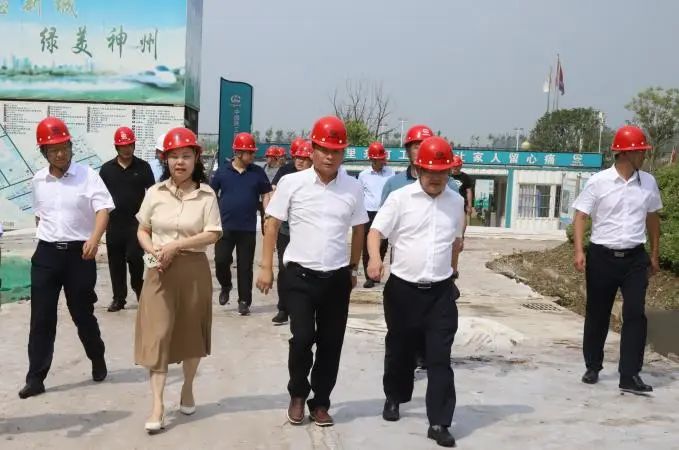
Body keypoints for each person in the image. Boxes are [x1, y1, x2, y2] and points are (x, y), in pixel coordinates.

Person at [256, 116, 368, 427]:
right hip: (299, 276)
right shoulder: (293, 183)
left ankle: (320, 402)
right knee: (303, 337)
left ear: (343, 153)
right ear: (313, 149)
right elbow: (272, 224)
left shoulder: (353, 187)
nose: (330, 156)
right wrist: (266, 267)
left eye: (336, 151)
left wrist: (353, 267)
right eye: (324, 150)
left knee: (331, 343)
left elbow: (359, 228)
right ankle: (297, 393)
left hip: (336, 278)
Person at [368, 136, 464, 447]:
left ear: (449, 171)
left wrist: (453, 269)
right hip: (403, 291)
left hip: (440, 293)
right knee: (400, 349)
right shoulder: (400, 198)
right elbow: (376, 232)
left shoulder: (456, 201)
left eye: (442, 172)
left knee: (439, 357)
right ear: (419, 168)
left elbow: (456, 240)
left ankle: (439, 422)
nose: (436, 178)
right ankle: (394, 397)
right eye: (430, 171)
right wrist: (373, 260)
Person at [134, 127, 222, 433]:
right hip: (158, 269)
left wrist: (176, 246)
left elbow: (213, 233)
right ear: (165, 160)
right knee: (157, 334)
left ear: (196, 158)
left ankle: (187, 388)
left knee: (190, 334)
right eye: (173, 157)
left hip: (193, 269)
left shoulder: (206, 195)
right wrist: (152, 250)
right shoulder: (154, 193)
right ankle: (157, 405)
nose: (179, 162)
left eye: (185, 156)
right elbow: (142, 229)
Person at [19, 117, 114, 399]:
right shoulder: (38, 180)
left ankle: (97, 357)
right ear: (44, 153)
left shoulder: (88, 175)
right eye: (53, 150)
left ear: (71, 146)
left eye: (64, 147)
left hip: (79, 255)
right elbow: (40, 214)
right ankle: (35, 378)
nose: (60, 154)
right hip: (47, 254)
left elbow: (103, 209)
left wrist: (94, 239)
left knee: (82, 313)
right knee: (41, 318)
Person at [572, 125, 662, 394]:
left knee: (635, 314)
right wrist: (579, 251)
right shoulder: (598, 181)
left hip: (635, 258)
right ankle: (593, 365)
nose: (644, 155)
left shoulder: (648, 182)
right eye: (640, 151)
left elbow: (653, 219)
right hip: (602, 257)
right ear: (625, 153)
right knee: (597, 314)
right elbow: (580, 216)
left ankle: (630, 374)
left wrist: (654, 255)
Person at [211, 132, 272, 315]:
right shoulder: (222, 172)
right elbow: (211, 194)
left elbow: (266, 194)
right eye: (249, 152)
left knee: (245, 266)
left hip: (247, 228)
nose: (253, 155)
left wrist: (267, 214)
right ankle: (226, 285)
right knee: (221, 260)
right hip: (225, 227)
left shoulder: (257, 173)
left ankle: (244, 300)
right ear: (238, 152)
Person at [99, 127, 155, 312]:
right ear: (116, 147)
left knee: (135, 258)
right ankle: (119, 298)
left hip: (136, 224)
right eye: (123, 146)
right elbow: (99, 196)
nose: (127, 149)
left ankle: (139, 288)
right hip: (114, 224)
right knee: (115, 263)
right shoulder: (107, 169)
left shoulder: (143, 167)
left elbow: (152, 194)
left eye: (130, 145)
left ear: (134, 145)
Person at [270, 140, 314, 325]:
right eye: (297, 157)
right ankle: (283, 308)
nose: (300, 161)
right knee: (284, 269)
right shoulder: (285, 173)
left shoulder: (318, 178)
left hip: (308, 232)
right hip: (286, 231)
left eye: (304, 158)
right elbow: (273, 191)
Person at [358, 141, 395, 288]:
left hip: (384, 212)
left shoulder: (391, 173)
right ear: (371, 159)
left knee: (383, 244)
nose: (382, 161)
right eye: (379, 159)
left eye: (382, 158)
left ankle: (377, 273)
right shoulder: (363, 175)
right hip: (368, 212)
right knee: (367, 244)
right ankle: (369, 277)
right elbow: (360, 194)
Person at [450, 155, 473, 279]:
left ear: (460, 166)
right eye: (453, 167)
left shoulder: (465, 178)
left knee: (462, 222)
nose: (455, 169)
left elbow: (469, 191)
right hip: (449, 205)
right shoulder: (446, 176)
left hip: (461, 204)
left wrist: (469, 204)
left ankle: (461, 238)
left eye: (457, 167)